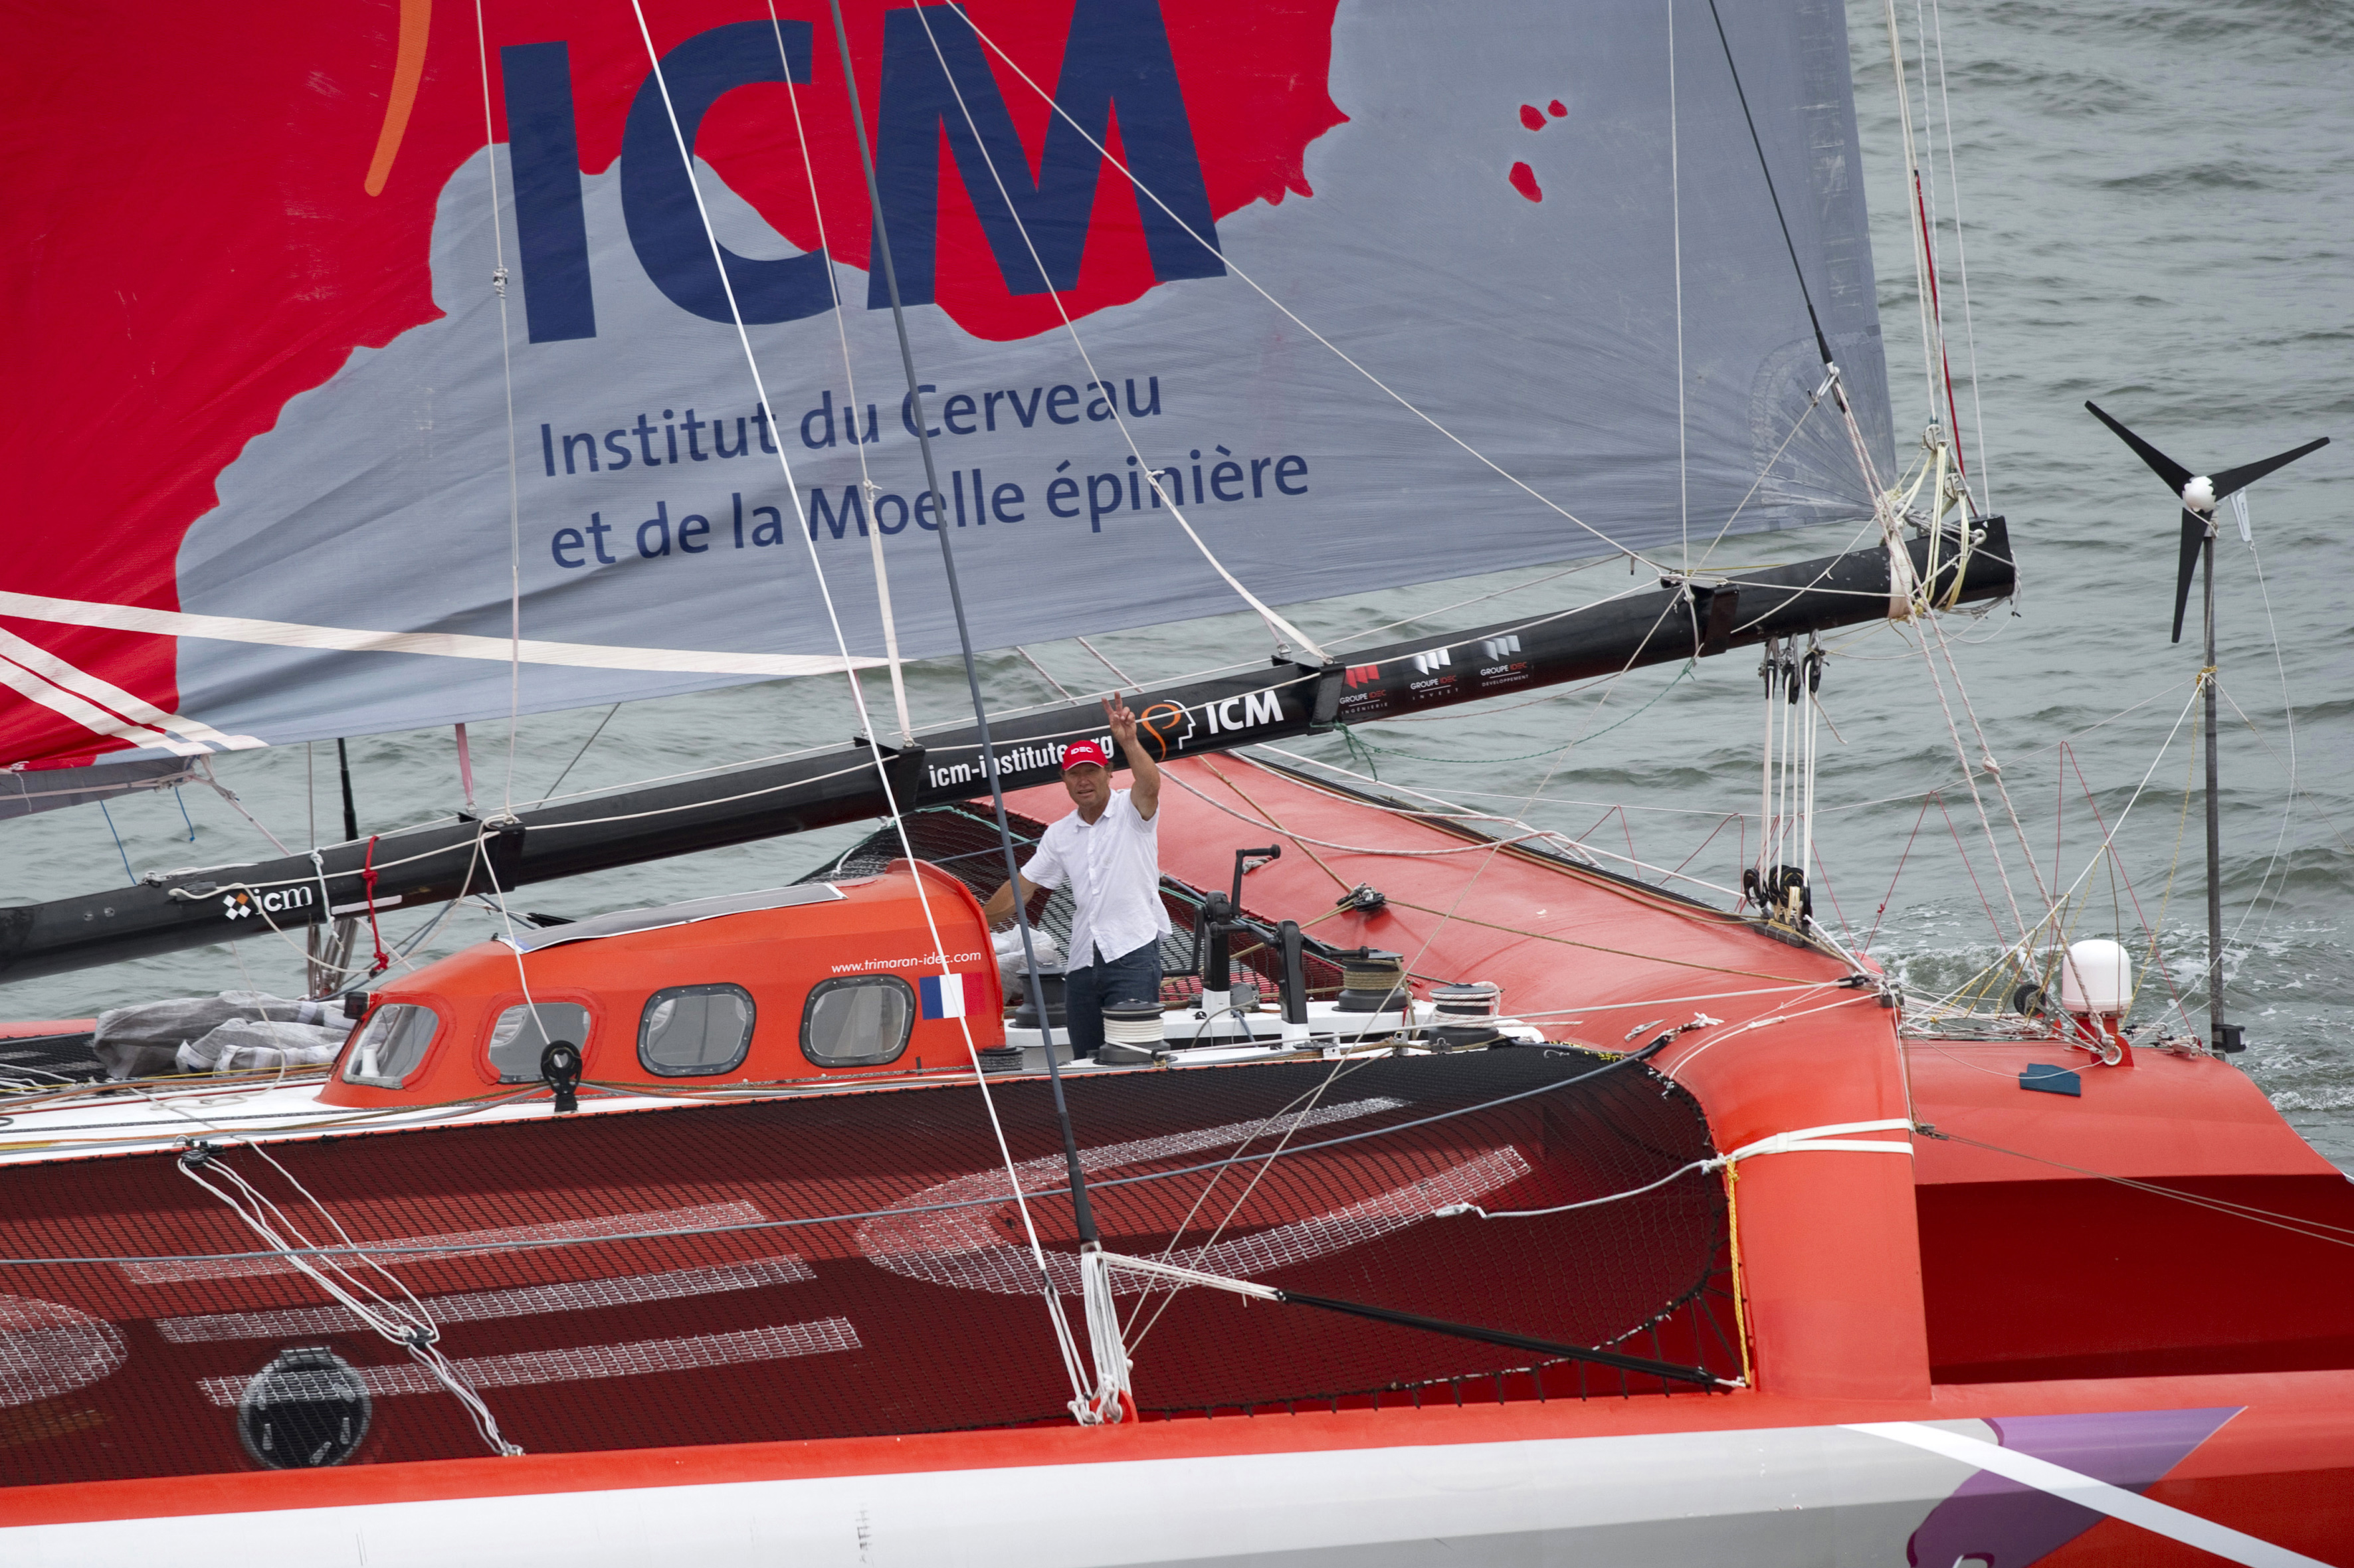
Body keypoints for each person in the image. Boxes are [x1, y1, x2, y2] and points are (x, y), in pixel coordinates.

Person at [982, 694, 1165, 1059]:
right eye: (1074, 774)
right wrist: (973, 925)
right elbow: (1024, 887)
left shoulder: (1132, 811)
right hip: (1082, 961)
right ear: (1063, 780)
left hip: (1133, 952)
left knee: (1134, 1058)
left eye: (1091, 771)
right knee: (1085, 1059)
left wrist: (1129, 741)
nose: (1083, 781)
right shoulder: (1059, 834)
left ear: (1109, 773)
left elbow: (1150, 786)